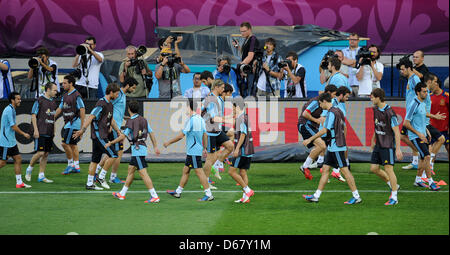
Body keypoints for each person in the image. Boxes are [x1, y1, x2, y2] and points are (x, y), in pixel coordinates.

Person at [302, 92, 361, 204]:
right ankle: (316, 196)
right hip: (333, 146)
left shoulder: (331, 113)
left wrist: (310, 140)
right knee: (325, 170)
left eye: (320, 103)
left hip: (336, 146)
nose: (320, 106)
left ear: (325, 101)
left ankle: (356, 196)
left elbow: (324, 130)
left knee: (345, 171)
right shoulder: (338, 110)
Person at [72, 83, 122, 190]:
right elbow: (91, 116)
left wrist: (117, 130)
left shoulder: (110, 105)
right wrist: (82, 130)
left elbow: (111, 119)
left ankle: (90, 183)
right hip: (99, 135)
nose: (117, 96)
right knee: (114, 154)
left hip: (101, 135)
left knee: (95, 160)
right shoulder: (101, 103)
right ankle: (101, 177)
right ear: (111, 92)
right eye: (117, 94)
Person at [111, 100, 161, 203]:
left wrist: (110, 143)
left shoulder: (130, 122)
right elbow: (151, 134)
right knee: (130, 171)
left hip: (137, 150)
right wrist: (155, 146)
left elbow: (122, 137)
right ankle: (122, 194)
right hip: (141, 149)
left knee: (143, 174)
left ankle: (154, 196)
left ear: (129, 109)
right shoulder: (144, 120)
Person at [164, 98, 214, 201]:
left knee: (199, 172)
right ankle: (178, 192)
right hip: (194, 151)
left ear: (189, 107)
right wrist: (204, 147)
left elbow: (181, 136)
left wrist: (168, 142)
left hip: (193, 151)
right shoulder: (200, 119)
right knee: (186, 170)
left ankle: (209, 195)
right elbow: (205, 134)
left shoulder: (191, 120)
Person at [95, 77, 138, 184]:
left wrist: (126, 118)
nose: (134, 90)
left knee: (111, 153)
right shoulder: (118, 96)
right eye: (133, 88)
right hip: (115, 128)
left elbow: (115, 110)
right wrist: (111, 125)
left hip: (115, 126)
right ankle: (112, 177)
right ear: (128, 85)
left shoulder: (121, 96)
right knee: (118, 153)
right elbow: (108, 108)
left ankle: (96, 172)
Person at [402, 82, 440, 191]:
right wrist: (419, 133)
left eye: (427, 91)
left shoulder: (422, 103)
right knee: (427, 156)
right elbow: (406, 123)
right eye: (424, 91)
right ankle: (431, 182)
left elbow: (422, 115)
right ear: (418, 92)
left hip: (423, 135)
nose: (427, 93)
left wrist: (427, 130)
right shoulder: (414, 104)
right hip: (416, 136)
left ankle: (418, 180)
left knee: (423, 159)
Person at [369, 88, 403, 205]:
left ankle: (394, 197)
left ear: (378, 97)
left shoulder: (390, 112)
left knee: (389, 169)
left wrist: (398, 149)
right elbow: (377, 126)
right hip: (378, 144)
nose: (371, 99)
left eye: (372, 97)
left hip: (387, 145)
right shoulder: (375, 109)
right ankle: (393, 185)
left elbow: (397, 132)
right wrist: (373, 139)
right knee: (374, 168)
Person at [298, 85, 338, 180]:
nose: (334, 96)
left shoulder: (325, 101)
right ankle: (307, 166)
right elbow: (305, 114)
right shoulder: (317, 101)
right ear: (328, 93)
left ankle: (317, 163)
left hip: (310, 125)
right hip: (305, 124)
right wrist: (316, 121)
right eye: (334, 94)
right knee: (322, 145)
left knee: (322, 144)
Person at [201, 79, 235, 189]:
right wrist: (228, 119)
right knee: (210, 159)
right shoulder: (211, 99)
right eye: (222, 88)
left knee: (230, 146)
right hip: (211, 132)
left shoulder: (219, 98)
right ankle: (205, 183)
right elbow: (213, 118)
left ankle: (218, 164)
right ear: (216, 87)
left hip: (217, 130)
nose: (223, 90)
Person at [25, 82, 58, 183]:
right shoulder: (39, 101)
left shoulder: (53, 102)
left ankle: (41, 175)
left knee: (46, 154)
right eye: (54, 90)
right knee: (40, 153)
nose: (56, 92)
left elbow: (53, 117)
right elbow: (33, 115)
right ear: (48, 89)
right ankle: (29, 169)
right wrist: (35, 130)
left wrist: (54, 129)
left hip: (49, 131)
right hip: (41, 131)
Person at [54, 75, 85, 175]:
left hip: (73, 123)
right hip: (68, 123)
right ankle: (76, 166)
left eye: (65, 83)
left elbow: (82, 110)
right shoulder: (65, 95)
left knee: (64, 143)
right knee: (73, 145)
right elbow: (60, 108)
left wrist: (82, 128)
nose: (63, 85)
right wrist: (52, 117)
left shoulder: (76, 95)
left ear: (71, 83)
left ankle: (70, 165)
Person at [0, 92, 32, 188]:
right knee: (2, 163)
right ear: (12, 100)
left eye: (20, 98)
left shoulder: (12, 109)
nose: (20, 100)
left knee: (18, 159)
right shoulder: (9, 110)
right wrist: (24, 134)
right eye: (18, 99)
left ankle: (19, 183)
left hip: (11, 141)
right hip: (6, 142)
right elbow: (13, 126)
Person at [229, 96, 255, 203]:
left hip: (242, 150)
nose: (233, 109)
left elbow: (243, 134)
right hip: (248, 150)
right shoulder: (244, 117)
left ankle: (247, 190)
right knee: (243, 172)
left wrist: (237, 149)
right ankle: (246, 197)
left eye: (233, 107)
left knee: (231, 171)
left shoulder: (241, 118)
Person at [397, 58, 421, 170]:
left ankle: (419, 153)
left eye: (402, 69)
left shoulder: (415, 79)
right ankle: (415, 161)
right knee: (410, 137)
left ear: (409, 68)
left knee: (403, 136)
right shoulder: (410, 79)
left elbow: (421, 95)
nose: (401, 72)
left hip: (413, 114)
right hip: (410, 113)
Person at [423, 73, 447, 171]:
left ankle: (427, 171)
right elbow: (422, 111)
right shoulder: (427, 95)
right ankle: (425, 173)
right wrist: (434, 117)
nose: (436, 84)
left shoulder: (445, 96)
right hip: (428, 126)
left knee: (442, 142)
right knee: (428, 152)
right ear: (430, 82)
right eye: (435, 81)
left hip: (438, 127)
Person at [233, 22, 260, 97]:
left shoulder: (253, 39)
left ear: (250, 29)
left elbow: (250, 56)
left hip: (251, 71)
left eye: (244, 31)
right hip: (246, 70)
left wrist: (241, 65)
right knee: (244, 90)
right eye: (241, 31)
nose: (242, 33)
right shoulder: (247, 39)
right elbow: (245, 52)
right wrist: (238, 47)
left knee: (250, 93)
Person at [429, 77, 449, 160]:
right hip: (433, 128)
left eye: (431, 85)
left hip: (445, 128)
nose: (429, 87)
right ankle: (430, 169)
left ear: (436, 84)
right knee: (432, 151)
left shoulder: (446, 96)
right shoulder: (428, 97)